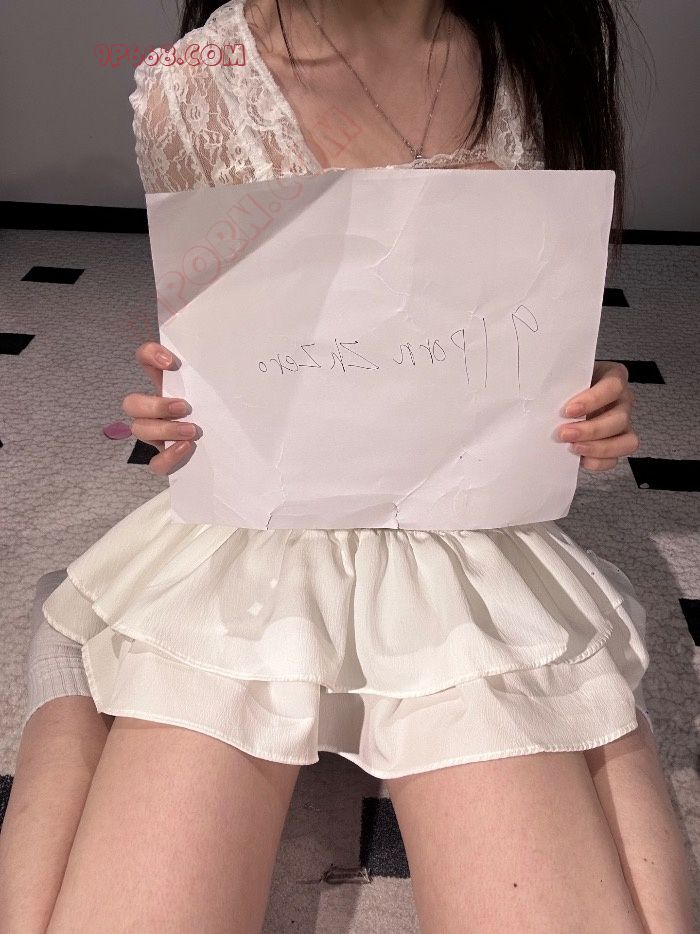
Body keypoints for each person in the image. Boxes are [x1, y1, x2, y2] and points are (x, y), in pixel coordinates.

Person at [0, 1, 693, 931]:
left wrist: (583, 391)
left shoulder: (532, 56)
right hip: (260, 528)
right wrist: (179, 400)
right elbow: (212, 335)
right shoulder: (195, 87)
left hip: (458, 519)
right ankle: (72, 672)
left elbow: (515, 317)